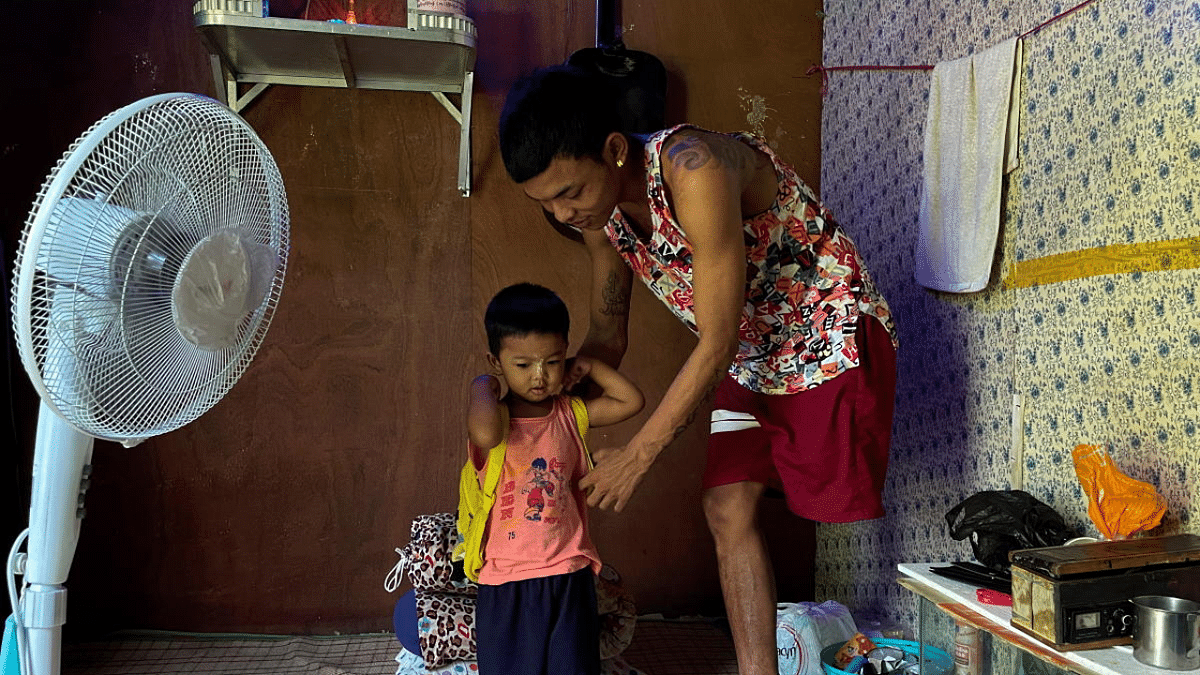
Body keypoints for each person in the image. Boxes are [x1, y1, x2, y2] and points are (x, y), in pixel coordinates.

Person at [498, 65, 898, 675]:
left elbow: (714, 341)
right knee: (725, 505)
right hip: (750, 355)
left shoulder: (695, 169)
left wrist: (638, 454)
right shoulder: (601, 219)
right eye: (546, 202)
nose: (562, 213)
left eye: (570, 192)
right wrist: (541, 409)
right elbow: (607, 334)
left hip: (826, 333)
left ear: (612, 151)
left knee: (834, 507)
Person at [466, 282, 644, 675]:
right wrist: (483, 383)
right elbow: (483, 434)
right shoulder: (495, 418)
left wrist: (591, 365)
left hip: (568, 571)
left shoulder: (570, 414)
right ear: (496, 361)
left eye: (553, 361)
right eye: (523, 364)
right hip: (506, 580)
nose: (540, 376)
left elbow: (631, 401)